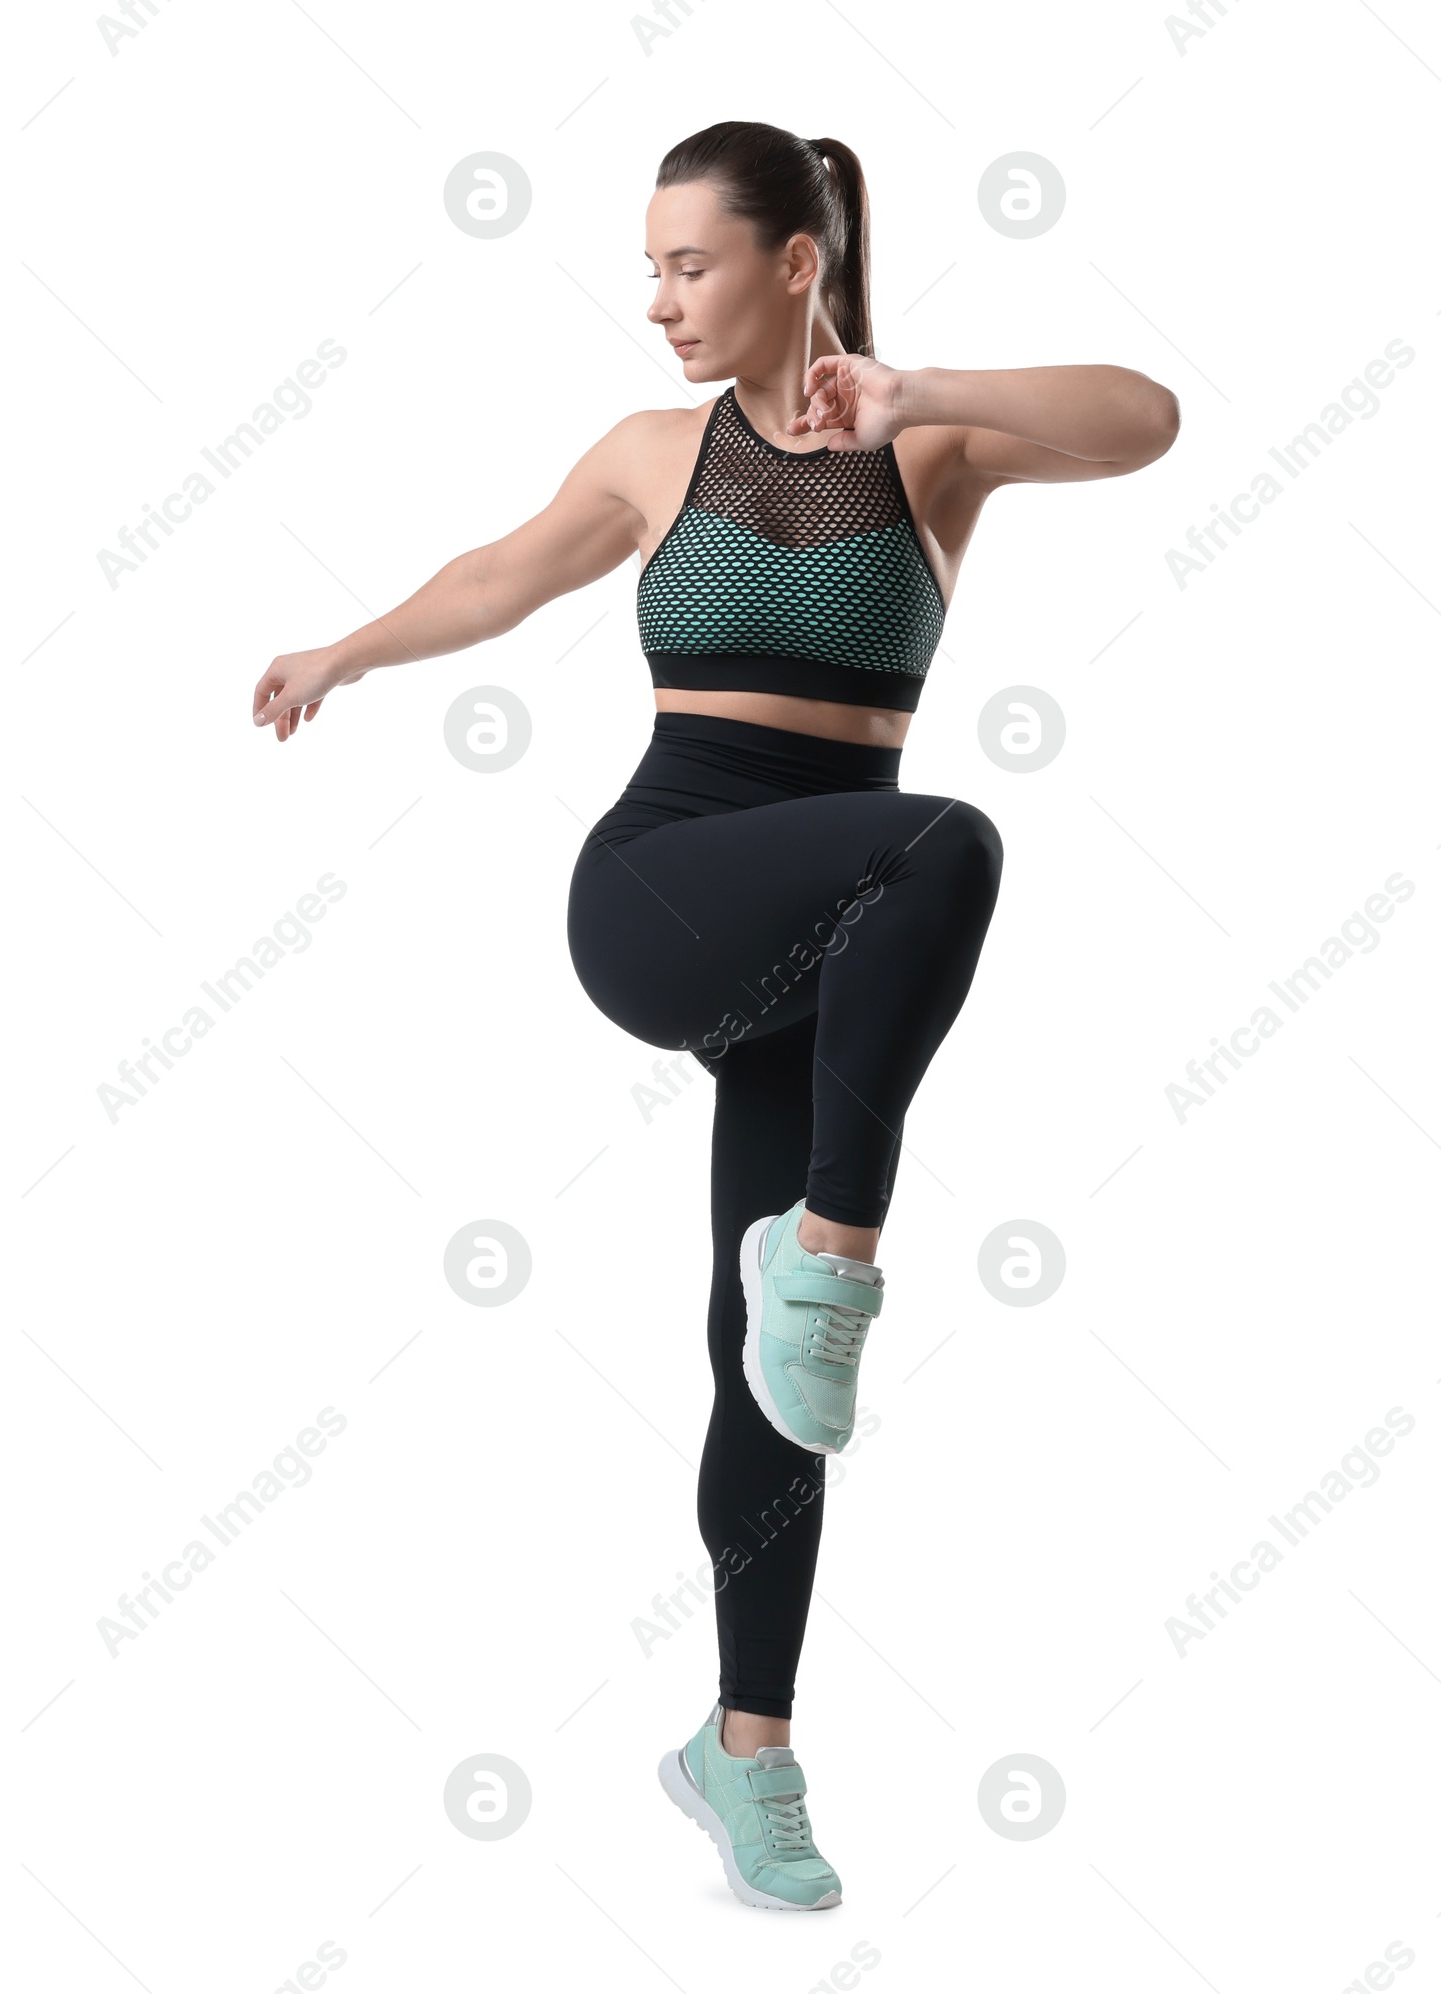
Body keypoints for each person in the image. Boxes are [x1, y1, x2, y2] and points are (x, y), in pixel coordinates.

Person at [253, 119, 1179, 1912]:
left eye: (692, 264)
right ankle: (834, 1249)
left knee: (768, 1384)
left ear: (794, 264)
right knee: (949, 842)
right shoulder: (652, 451)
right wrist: (342, 652)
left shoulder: (932, 449)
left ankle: (741, 1751)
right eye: (654, 267)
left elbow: (1147, 417)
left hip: (825, 936)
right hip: (666, 887)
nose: (662, 300)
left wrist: (919, 392)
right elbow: (501, 570)